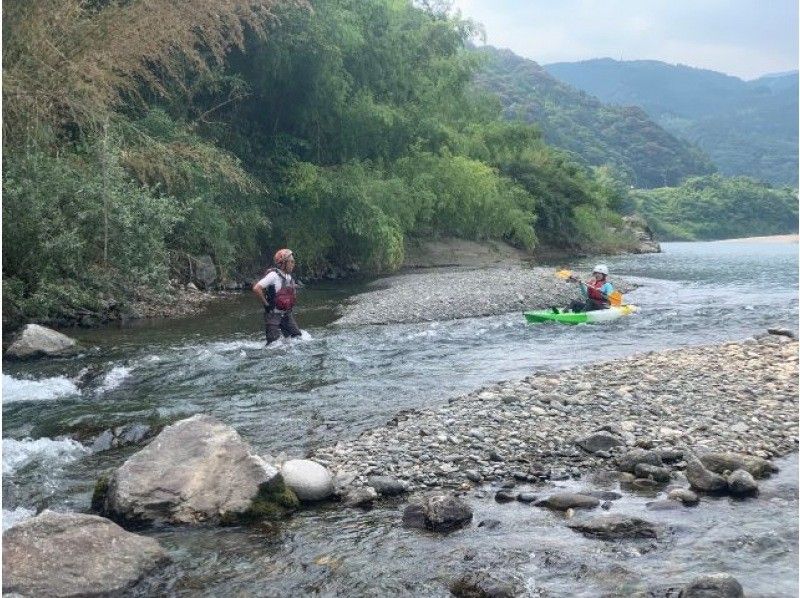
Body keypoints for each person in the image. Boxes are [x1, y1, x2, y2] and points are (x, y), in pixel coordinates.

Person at [252, 249, 302, 344]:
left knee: (298, 338)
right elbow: (256, 288)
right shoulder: (273, 275)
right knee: (273, 345)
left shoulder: (289, 277)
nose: (293, 264)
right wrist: (266, 305)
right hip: (273, 314)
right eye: (291, 261)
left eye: (293, 261)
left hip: (286, 314)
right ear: (283, 263)